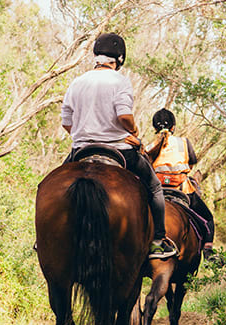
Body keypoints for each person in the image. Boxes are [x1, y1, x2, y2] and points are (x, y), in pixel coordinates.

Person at [60, 33, 176, 259]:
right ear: (119, 59)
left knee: (49, 183)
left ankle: (45, 239)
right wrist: (133, 131)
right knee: (154, 188)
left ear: (96, 56)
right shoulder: (120, 81)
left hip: (81, 149)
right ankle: (158, 240)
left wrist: (83, 134)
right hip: (118, 148)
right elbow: (124, 116)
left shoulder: (77, 81)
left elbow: (67, 123)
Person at [145, 108, 220, 263]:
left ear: (154, 128)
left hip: (157, 190)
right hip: (182, 189)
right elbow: (192, 162)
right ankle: (208, 251)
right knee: (208, 219)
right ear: (173, 127)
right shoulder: (184, 142)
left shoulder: (149, 146)